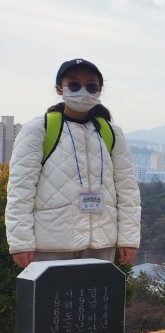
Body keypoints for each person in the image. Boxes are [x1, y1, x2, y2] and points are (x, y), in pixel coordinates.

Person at [6, 59, 140, 268]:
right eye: (74, 85)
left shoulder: (111, 132)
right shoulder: (39, 128)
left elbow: (127, 189)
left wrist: (129, 239)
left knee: (98, 290)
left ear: (99, 91)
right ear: (59, 88)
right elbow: (20, 188)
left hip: (101, 242)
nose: (83, 91)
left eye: (91, 86)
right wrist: (21, 242)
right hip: (52, 245)